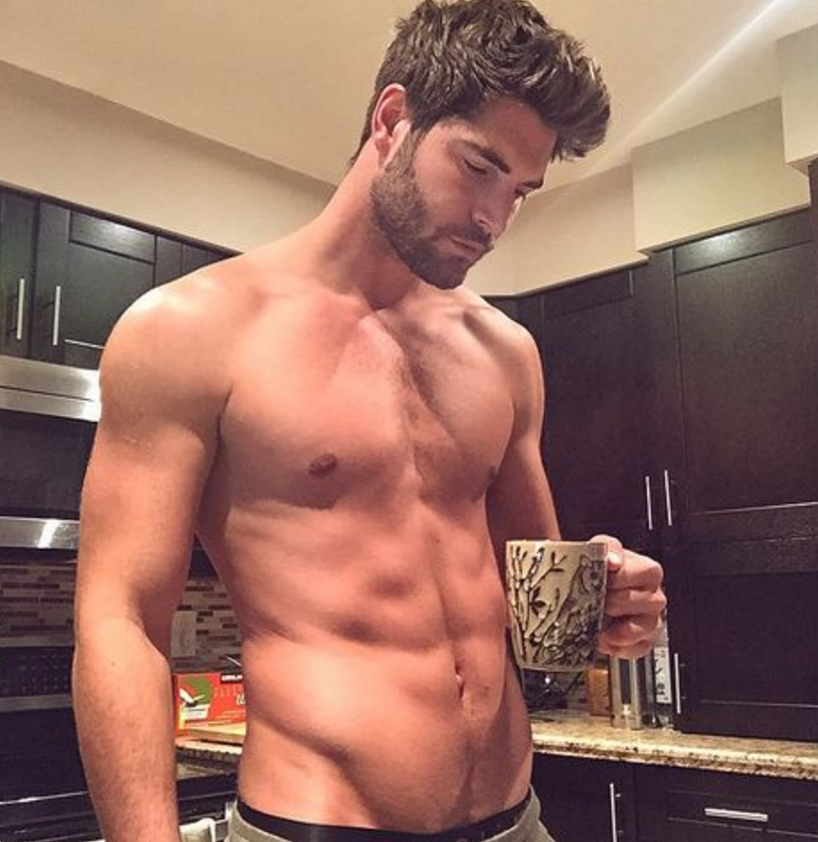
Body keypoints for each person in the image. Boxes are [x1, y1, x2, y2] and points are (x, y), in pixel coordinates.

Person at [72, 2, 666, 841]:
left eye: (521, 192)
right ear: (392, 119)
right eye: (479, 167)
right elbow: (122, 620)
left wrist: (612, 594)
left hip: (514, 821)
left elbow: (537, 592)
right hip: (318, 821)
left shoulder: (505, 352)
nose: (495, 219)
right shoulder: (191, 331)